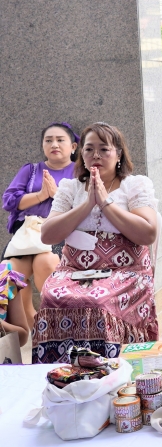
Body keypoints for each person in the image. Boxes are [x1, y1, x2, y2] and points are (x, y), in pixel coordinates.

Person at [33, 123, 159, 363]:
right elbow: (48, 235)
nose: (96, 155)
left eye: (104, 149)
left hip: (126, 270)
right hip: (74, 270)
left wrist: (105, 203)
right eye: (89, 149)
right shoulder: (70, 188)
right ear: (81, 154)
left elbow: (148, 234)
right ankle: (60, 373)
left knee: (97, 301)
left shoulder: (135, 185)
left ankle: (107, 371)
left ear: (119, 154)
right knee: (51, 297)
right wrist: (87, 204)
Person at [2, 123, 78, 329]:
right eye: (48, 140)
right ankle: (22, 322)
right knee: (6, 274)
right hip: (26, 234)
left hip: (59, 231)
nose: (54, 144)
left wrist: (56, 195)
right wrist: (40, 195)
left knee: (45, 263)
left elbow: (86, 205)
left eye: (60, 140)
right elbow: (8, 201)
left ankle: (56, 324)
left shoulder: (80, 171)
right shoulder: (31, 170)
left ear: (73, 147)